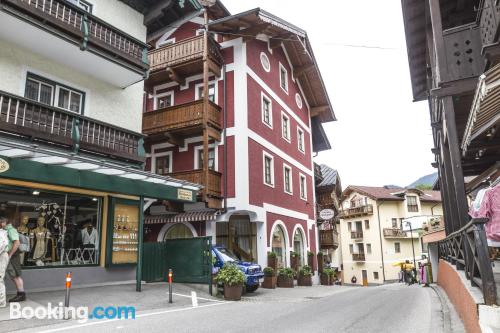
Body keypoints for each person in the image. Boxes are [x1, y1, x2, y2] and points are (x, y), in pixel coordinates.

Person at [3, 215, 26, 302]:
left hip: (13, 255)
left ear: (5, 222)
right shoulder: (6, 230)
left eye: (1, 222)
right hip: (10, 255)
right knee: (13, 276)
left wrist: (10, 255)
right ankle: (21, 294)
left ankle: (21, 294)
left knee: (15, 275)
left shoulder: (11, 230)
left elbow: (17, 243)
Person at [0, 223, 9, 307]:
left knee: (0, 278)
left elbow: (2, 245)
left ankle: (1, 302)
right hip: (2, 255)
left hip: (2, 256)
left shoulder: (2, 233)